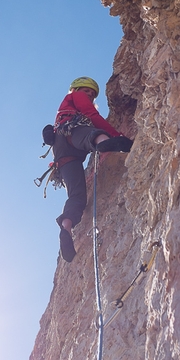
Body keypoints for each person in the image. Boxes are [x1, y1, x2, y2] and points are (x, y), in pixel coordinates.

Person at [51, 77, 133, 262]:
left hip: (62, 153)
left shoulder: (62, 110)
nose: (89, 95)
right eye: (86, 90)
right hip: (71, 131)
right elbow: (91, 115)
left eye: (92, 94)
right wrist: (116, 136)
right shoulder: (76, 97)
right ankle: (104, 144)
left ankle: (66, 227)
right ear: (77, 89)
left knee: (77, 195)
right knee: (92, 134)